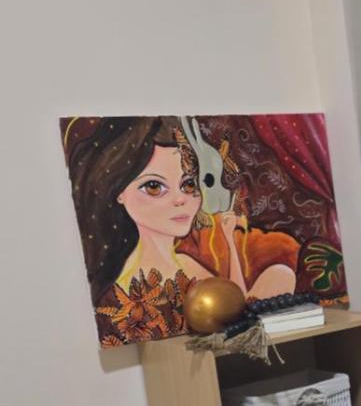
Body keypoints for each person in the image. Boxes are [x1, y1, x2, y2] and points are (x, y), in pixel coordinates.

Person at [65, 117, 298, 344]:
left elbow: (237, 309)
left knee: (280, 274)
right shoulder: (125, 289)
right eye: (154, 187)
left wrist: (229, 240)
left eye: (188, 184)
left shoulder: (186, 264)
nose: (180, 199)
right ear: (119, 192)